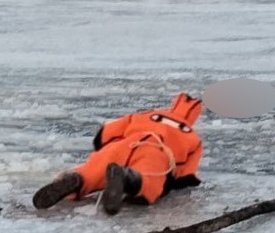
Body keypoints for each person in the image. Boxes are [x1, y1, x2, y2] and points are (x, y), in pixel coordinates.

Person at [32, 92, 204, 215]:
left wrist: (101, 145)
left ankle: (76, 180)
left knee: (92, 171)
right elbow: (186, 174)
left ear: (173, 104)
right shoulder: (192, 136)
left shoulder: (149, 114)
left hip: (123, 145)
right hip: (156, 153)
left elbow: (107, 131)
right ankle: (128, 178)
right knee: (148, 182)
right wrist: (175, 184)